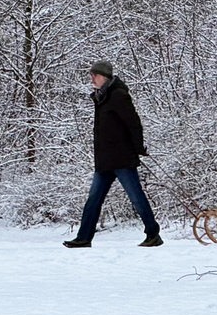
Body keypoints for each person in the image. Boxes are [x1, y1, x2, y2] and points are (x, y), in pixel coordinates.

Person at [64, 61, 162, 248]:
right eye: (91, 75)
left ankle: (153, 233)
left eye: (95, 75)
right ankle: (84, 237)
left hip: (122, 158)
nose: (92, 78)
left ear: (105, 77)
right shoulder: (101, 97)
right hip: (105, 160)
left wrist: (138, 147)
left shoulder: (117, 95)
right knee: (94, 199)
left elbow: (133, 123)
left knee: (136, 197)